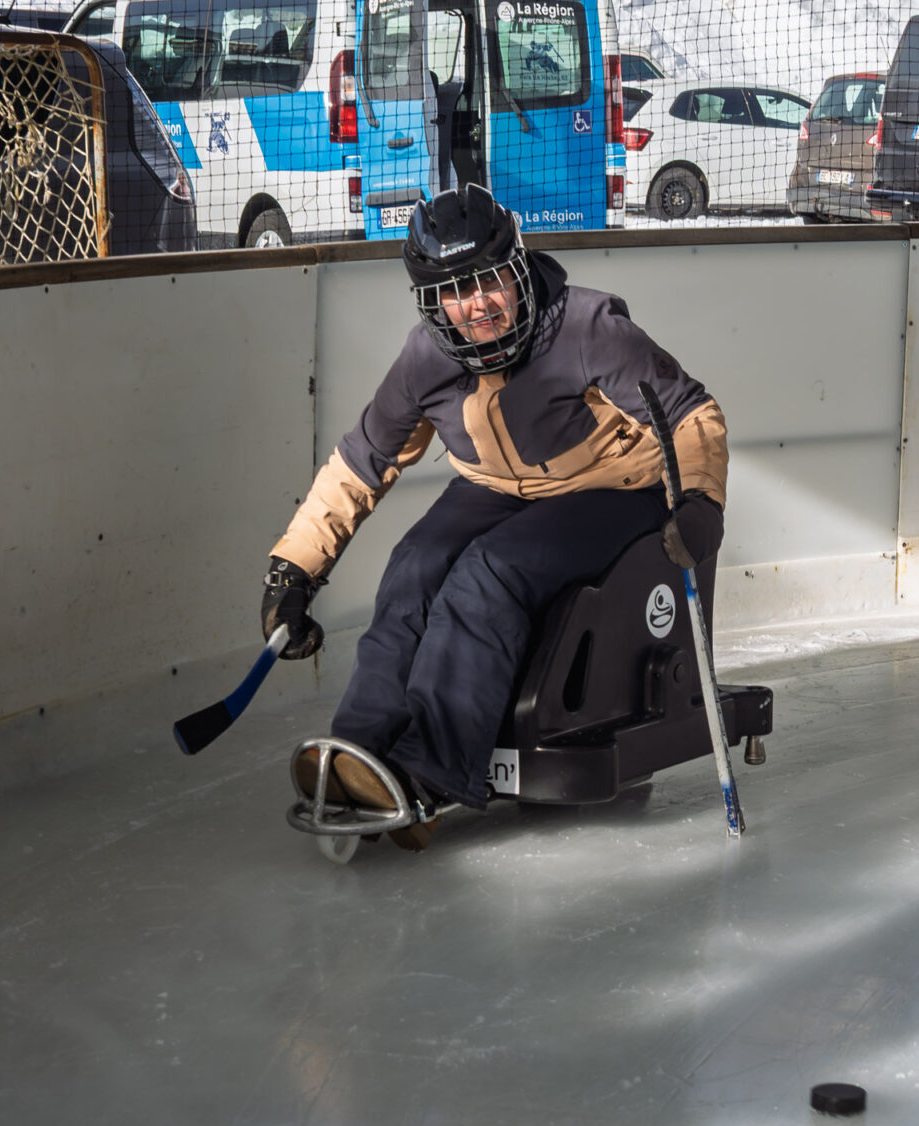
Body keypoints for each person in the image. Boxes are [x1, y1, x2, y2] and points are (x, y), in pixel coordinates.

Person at [261, 183, 728, 848]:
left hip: (615, 487)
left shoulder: (587, 328)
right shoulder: (426, 359)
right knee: (415, 563)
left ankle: (430, 771)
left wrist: (701, 501)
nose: (478, 305)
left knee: (490, 571)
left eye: (489, 282)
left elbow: (690, 411)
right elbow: (362, 461)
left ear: (517, 269)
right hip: (498, 488)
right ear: (431, 302)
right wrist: (294, 570)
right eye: (454, 293)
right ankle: (364, 753)